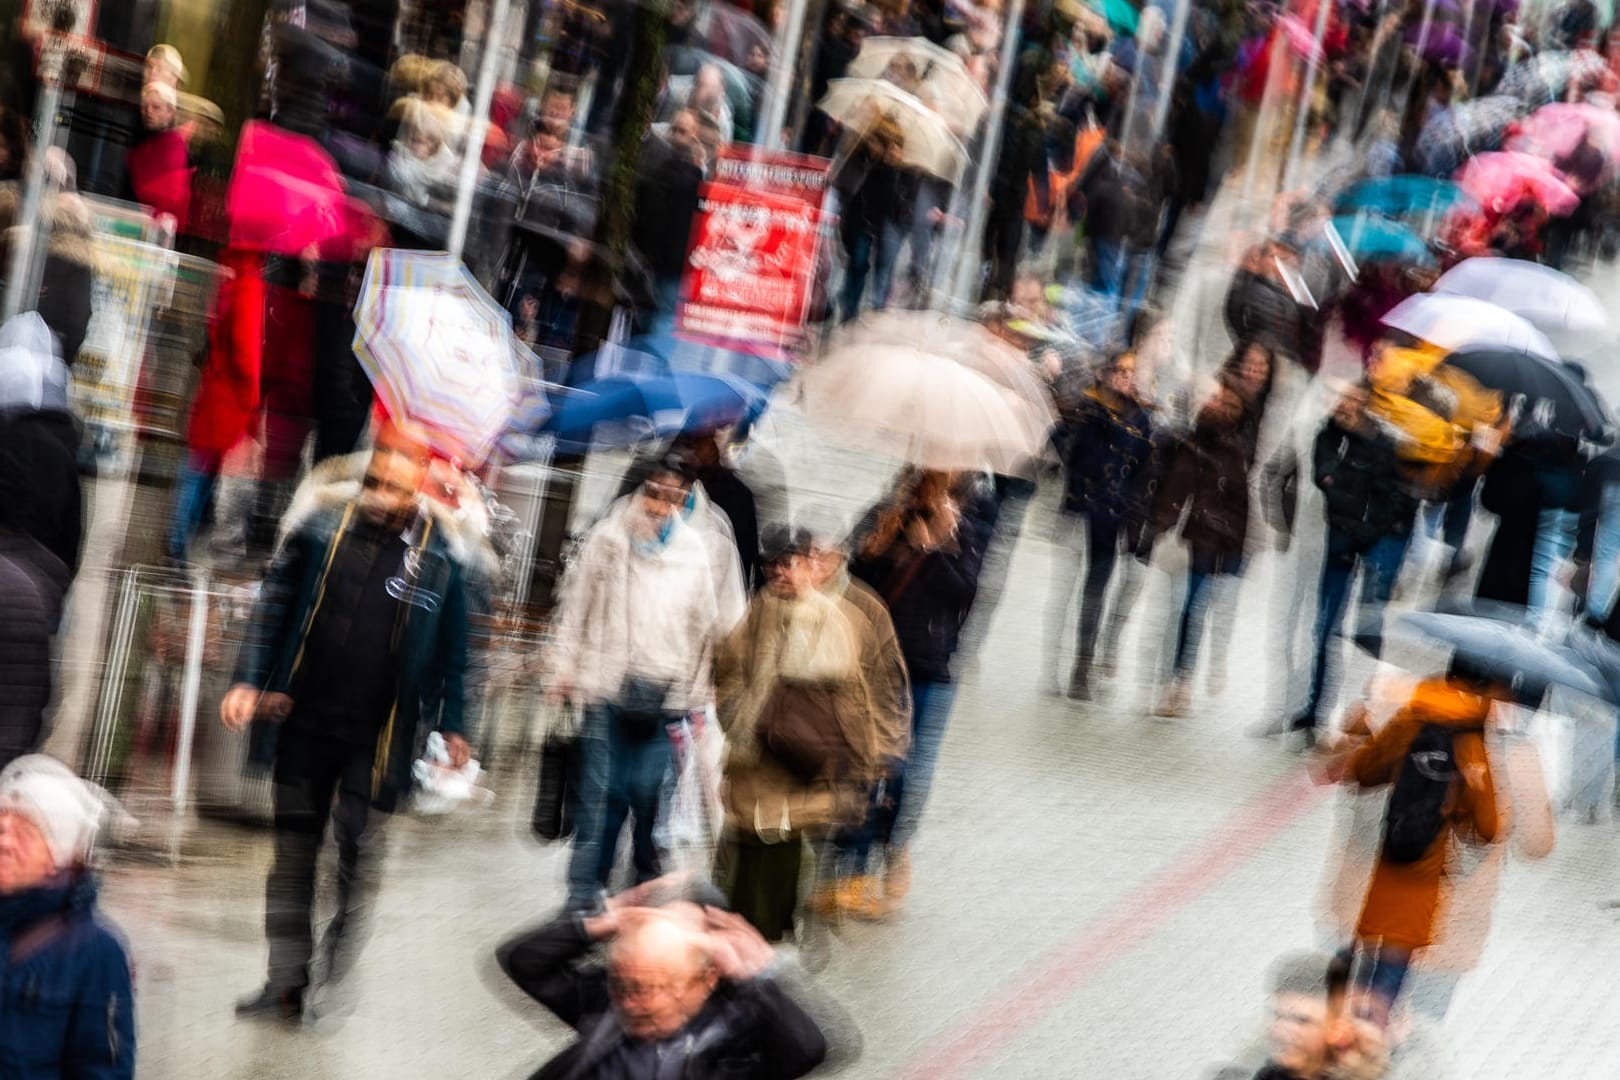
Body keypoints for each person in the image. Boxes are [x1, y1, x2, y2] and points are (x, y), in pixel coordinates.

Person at [222, 418, 476, 1023]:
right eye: (378, 469)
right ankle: (285, 982)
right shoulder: (319, 530)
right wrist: (249, 680)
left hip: (380, 737)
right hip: (305, 720)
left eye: (398, 473)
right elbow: (273, 610)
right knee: (292, 858)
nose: (383, 483)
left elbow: (457, 657)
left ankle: (335, 969)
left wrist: (458, 724)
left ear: (420, 481)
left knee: (356, 855)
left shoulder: (442, 560)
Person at [547, 457, 738, 911]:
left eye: (673, 497)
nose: (661, 505)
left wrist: (697, 693)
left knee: (649, 798)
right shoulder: (608, 538)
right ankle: (583, 897)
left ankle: (641, 895)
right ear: (641, 489)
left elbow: (706, 627)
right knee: (602, 797)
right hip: (605, 689)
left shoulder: (695, 550)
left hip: (665, 697)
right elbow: (575, 609)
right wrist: (563, 670)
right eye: (655, 492)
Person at [714, 525, 908, 935]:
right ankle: (746, 952)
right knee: (739, 875)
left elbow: (865, 695)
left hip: (802, 774)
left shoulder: (843, 618)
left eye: (789, 563)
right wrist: (737, 717)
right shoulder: (760, 610)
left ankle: (765, 954)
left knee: (776, 880)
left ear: (810, 564)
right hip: (752, 766)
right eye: (772, 565)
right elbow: (728, 671)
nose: (780, 573)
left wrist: (870, 762)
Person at [1314, 669, 1505, 1025]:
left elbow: (1362, 772)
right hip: (1416, 893)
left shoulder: (1410, 718)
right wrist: (1475, 783)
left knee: (1338, 993)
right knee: (1379, 1006)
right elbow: (1487, 828)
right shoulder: (1472, 744)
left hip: (1365, 883)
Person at [496, 883, 828, 1079]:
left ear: (708, 975)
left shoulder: (737, 1030)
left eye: (648, 988)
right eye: (623, 985)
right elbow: (523, 962)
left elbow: (807, 1049)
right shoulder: (611, 997)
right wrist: (608, 921)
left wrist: (755, 977)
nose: (630, 1002)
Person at [848, 468, 988, 910]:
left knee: (910, 771)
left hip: (931, 668)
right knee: (868, 764)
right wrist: (885, 541)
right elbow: (854, 577)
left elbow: (965, 593)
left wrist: (934, 546)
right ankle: (853, 865)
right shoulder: (886, 514)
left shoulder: (965, 528)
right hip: (877, 662)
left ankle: (895, 848)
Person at [1151, 343, 1275, 717]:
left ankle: (1192, 672)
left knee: (1207, 608)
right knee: (1186, 606)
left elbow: (1245, 500)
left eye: (1229, 404)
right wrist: (1160, 525)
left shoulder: (1241, 449)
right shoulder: (1193, 438)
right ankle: (1177, 679)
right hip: (1196, 536)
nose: (1220, 406)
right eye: (1217, 399)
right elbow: (1173, 483)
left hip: (1226, 539)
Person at [1291, 386, 1417, 743]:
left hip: (1375, 540)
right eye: (1342, 399)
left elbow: (1396, 495)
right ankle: (1316, 709)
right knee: (1325, 627)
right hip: (1343, 539)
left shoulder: (1385, 444)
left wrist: (1373, 527)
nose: (1344, 406)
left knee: (1367, 631)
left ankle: (1361, 713)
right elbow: (1327, 480)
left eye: (1354, 400)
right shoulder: (1330, 437)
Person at [0, 754, 135, 1078]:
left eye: (25, 833)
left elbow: (105, 1067)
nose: (4, 842)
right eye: (1, 826)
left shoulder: (98, 952)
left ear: (58, 857)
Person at [1049, 349, 1156, 700]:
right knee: (1070, 590)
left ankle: (1085, 664)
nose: (1127, 379)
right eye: (1120, 371)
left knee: (1097, 590)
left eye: (1132, 373)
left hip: (1113, 517)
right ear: (1105, 374)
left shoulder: (1140, 420)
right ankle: (1060, 666)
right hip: (1082, 510)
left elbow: (1144, 470)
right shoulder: (1085, 410)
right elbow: (1068, 453)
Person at [834, 118, 916, 321]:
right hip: (858, 221)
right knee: (857, 263)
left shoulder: (895, 169)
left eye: (877, 142)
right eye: (871, 141)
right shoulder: (859, 158)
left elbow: (897, 201)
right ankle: (849, 307)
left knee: (871, 267)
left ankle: (864, 309)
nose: (872, 145)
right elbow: (846, 185)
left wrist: (894, 167)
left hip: (880, 226)